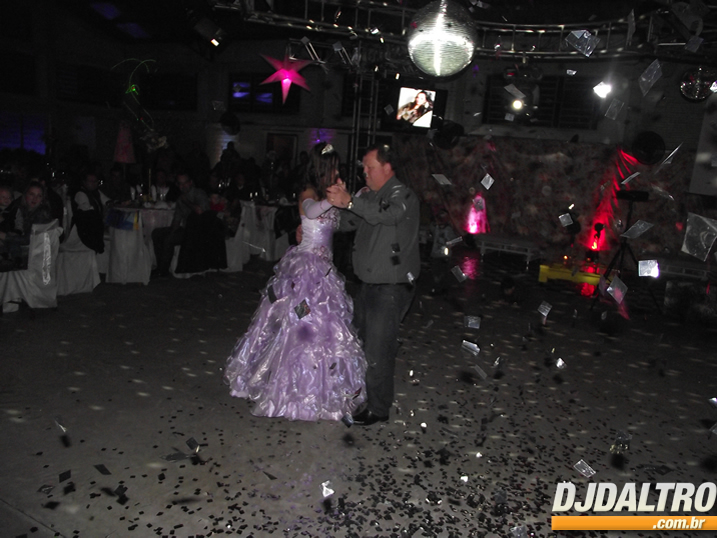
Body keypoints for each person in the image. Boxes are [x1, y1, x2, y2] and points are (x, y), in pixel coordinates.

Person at [223, 142, 367, 422]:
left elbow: (337, 221)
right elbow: (310, 212)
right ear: (322, 168)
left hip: (326, 272)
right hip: (305, 273)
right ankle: (289, 391)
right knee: (299, 325)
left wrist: (352, 200)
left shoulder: (328, 195)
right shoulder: (309, 193)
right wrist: (333, 201)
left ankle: (319, 389)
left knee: (327, 330)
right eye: (333, 167)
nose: (337, 172)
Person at [326, 144, 420, 426]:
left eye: (370, 167)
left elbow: (388, 214)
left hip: (391, 286)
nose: (364, 172)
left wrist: (351, 202)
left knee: (378, 350)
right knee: (359, 343)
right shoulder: (369, 196)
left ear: (387, 168)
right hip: (369, 284)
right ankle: (362, 395)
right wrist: (325, 214)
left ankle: (378, 409)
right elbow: (347, 223)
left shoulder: (402, 195)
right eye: (363, 167)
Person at [151, 171, 210, 277]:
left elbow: (200, 211)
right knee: (157, 233)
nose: (183, 186)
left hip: (200, 230)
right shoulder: (180, 199)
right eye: (180, 184)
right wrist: (172, 231)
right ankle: (160, 266)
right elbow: (177, 219)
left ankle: (163, 271)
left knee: (169, 239)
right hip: (187, 229)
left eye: (185, 183)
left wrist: (186, 201)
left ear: (190, 182)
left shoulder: (199, 193)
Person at [0, 181, 53, 268]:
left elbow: (28, 239)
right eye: (32, 194)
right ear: (25, 196)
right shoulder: (22, 208)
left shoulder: (41, 215)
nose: (35, 198)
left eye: (39, 196)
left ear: (42, 199)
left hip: (32, 255)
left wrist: (5, 236)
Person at [71, 171, 110, 254]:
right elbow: (88, 212)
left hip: (97, 225)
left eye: (95, 181)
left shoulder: (96, 192)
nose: (94, 183)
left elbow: (107, 201)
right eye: (91, 181)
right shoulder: (80, 194)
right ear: (84, 182)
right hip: (85, 228)